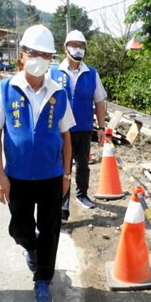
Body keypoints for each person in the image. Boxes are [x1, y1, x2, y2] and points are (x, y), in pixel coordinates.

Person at [0, 24, 74, 302]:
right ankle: (32, 249)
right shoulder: (5, 89)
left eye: (46, 55)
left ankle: (43, 280)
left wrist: (67, 174)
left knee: (51, 229)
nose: (40, 59)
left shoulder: (58, 93)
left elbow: (66, 135)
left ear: (51, 59)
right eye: (34, 53)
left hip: (50, 177)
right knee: (20, 230)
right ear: (22, 55)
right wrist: (0, 176)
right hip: (17, 177)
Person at [49, 30, 107, 220]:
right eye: (74, 45)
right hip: (60, 130)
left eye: (81, 46)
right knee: (62, 167)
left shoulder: (91, 73)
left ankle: (82, 195)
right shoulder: (54, 72)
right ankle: (62, 205)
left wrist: (100, 127)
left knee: (83, 165)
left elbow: (99, 101)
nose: (78, 49)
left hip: (83, 128)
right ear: (65, 48)